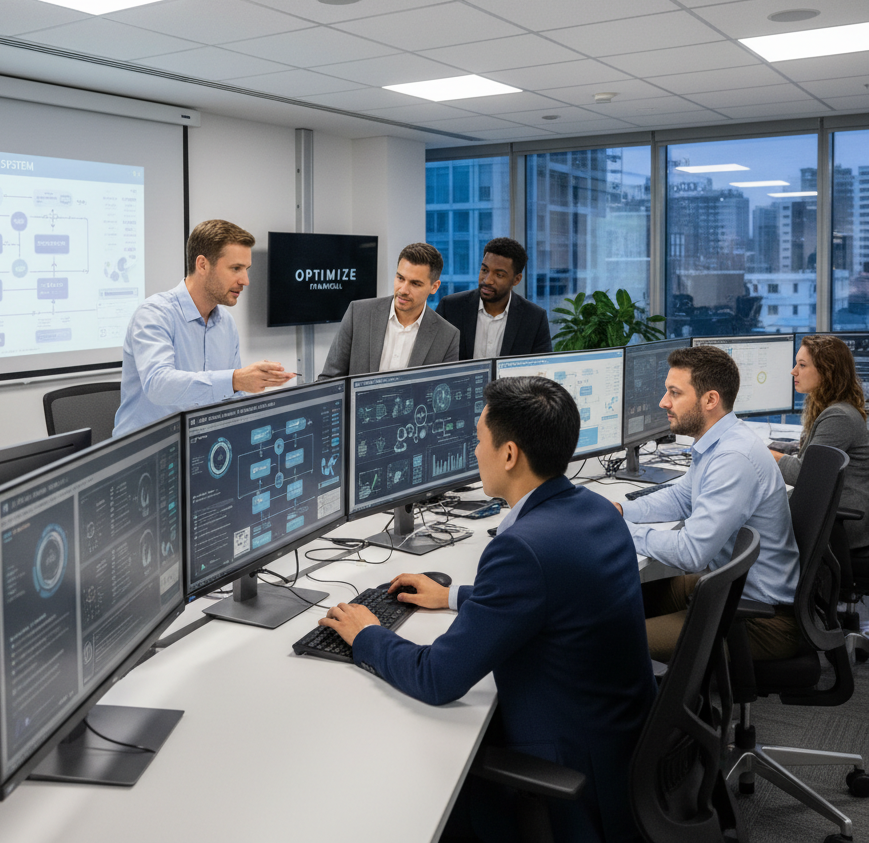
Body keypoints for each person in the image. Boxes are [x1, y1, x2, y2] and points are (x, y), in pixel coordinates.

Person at [319, 377, 655, 843]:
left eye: (479, 439)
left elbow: (438, 678)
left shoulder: (522, 550)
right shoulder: (597, 510)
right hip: (622, 747)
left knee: (424, 770)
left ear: (510, 454)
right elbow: (553, 600)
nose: (475, 452)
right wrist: (454, 594)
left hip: (569, 768)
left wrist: (367, 633)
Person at [614, 345, 801, 662]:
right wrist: (620, 511)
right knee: (607, 608)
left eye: (674, 393)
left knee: (611, 643)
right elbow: (681, 497)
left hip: (761, 619)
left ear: (710, 400)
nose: (664, 402)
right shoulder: (720, 441)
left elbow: (691, 552)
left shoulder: (733, 458)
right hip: (727, 591)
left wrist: (618, 531)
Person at [112, 219, 294, 437]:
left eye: (246, 269)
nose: (245, 280)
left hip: (201, 451)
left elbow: (232, 397)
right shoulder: (154, 314)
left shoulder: (225, 323)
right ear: (202, 265)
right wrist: (235, 380)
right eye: (235, 268)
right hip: (146, 454)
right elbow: (158, 385)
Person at [771, 334, 869, 548]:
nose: (793, 371)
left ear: (827, 371)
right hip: (828, 510)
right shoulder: (832, 408)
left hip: (841, 526)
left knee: (749, 522)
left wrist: (764, 454)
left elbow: (803, 474)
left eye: (802, 365)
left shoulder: (839, 416)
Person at [317, 242, 459, 379]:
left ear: (434, 287)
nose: (403, 290)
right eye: (400, 278)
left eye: (415, 284)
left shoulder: (447, 336)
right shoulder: (358, 314)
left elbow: (444, 395)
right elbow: (329, 379)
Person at [435, 237, 551, 360]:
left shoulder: (534, 318)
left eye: (499, 275)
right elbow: (432, 361)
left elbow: (542, 370)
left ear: (516, 279)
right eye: (485, 270)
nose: (488, 280)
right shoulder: (450, 307)